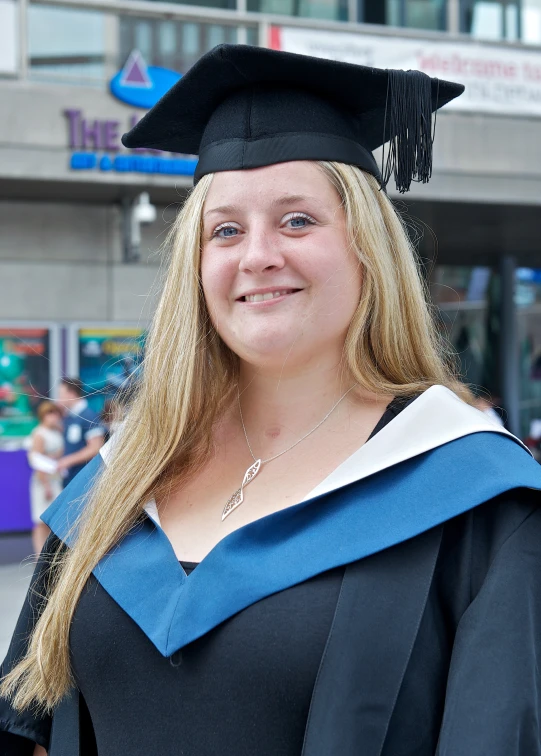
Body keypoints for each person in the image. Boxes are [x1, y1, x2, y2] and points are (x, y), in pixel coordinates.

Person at [1, 45, 541, 756]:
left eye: (297, 221)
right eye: (225, 230)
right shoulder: (120, 483)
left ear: (366, 251)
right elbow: (29, 721)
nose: (257, 255)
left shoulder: (479, 502)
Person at [26, 401, 64, 555]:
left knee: (53, 520)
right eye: (49, 413)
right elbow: (37, 461)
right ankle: (38, 556)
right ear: (43, 416)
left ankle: (49, 554)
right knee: (40, 521)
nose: (53, 417)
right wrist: (46, 485)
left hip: (56, 479)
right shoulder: (39, 433)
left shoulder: (57, 431)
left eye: (54, 413)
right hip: (44, 481)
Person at [55, 377, 105, 487]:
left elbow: (95, 447)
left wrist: (68, 461)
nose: (58, 399)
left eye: (61, 394)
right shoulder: (69, 417)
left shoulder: (88, 416)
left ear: (71, 394)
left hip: (83, 481)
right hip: (69, 479)